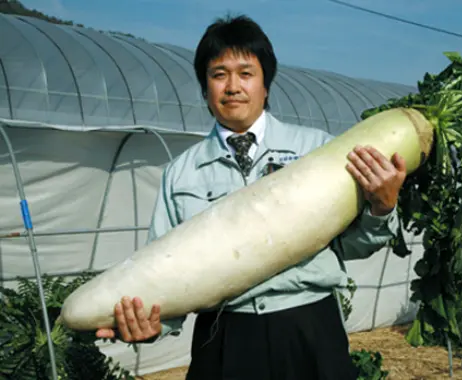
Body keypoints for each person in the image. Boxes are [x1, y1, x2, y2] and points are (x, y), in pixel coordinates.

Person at [96, 14, 407, 380]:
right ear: (204, 88)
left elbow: (352, 246)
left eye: (246, 73)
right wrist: (153, 327)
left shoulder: (318, 149)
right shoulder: (181, 173)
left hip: (309, 327)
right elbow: (165, 274)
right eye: (218, 74)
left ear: (266, 85)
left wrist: (381, 208)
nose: (233, 86)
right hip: (224, 335)